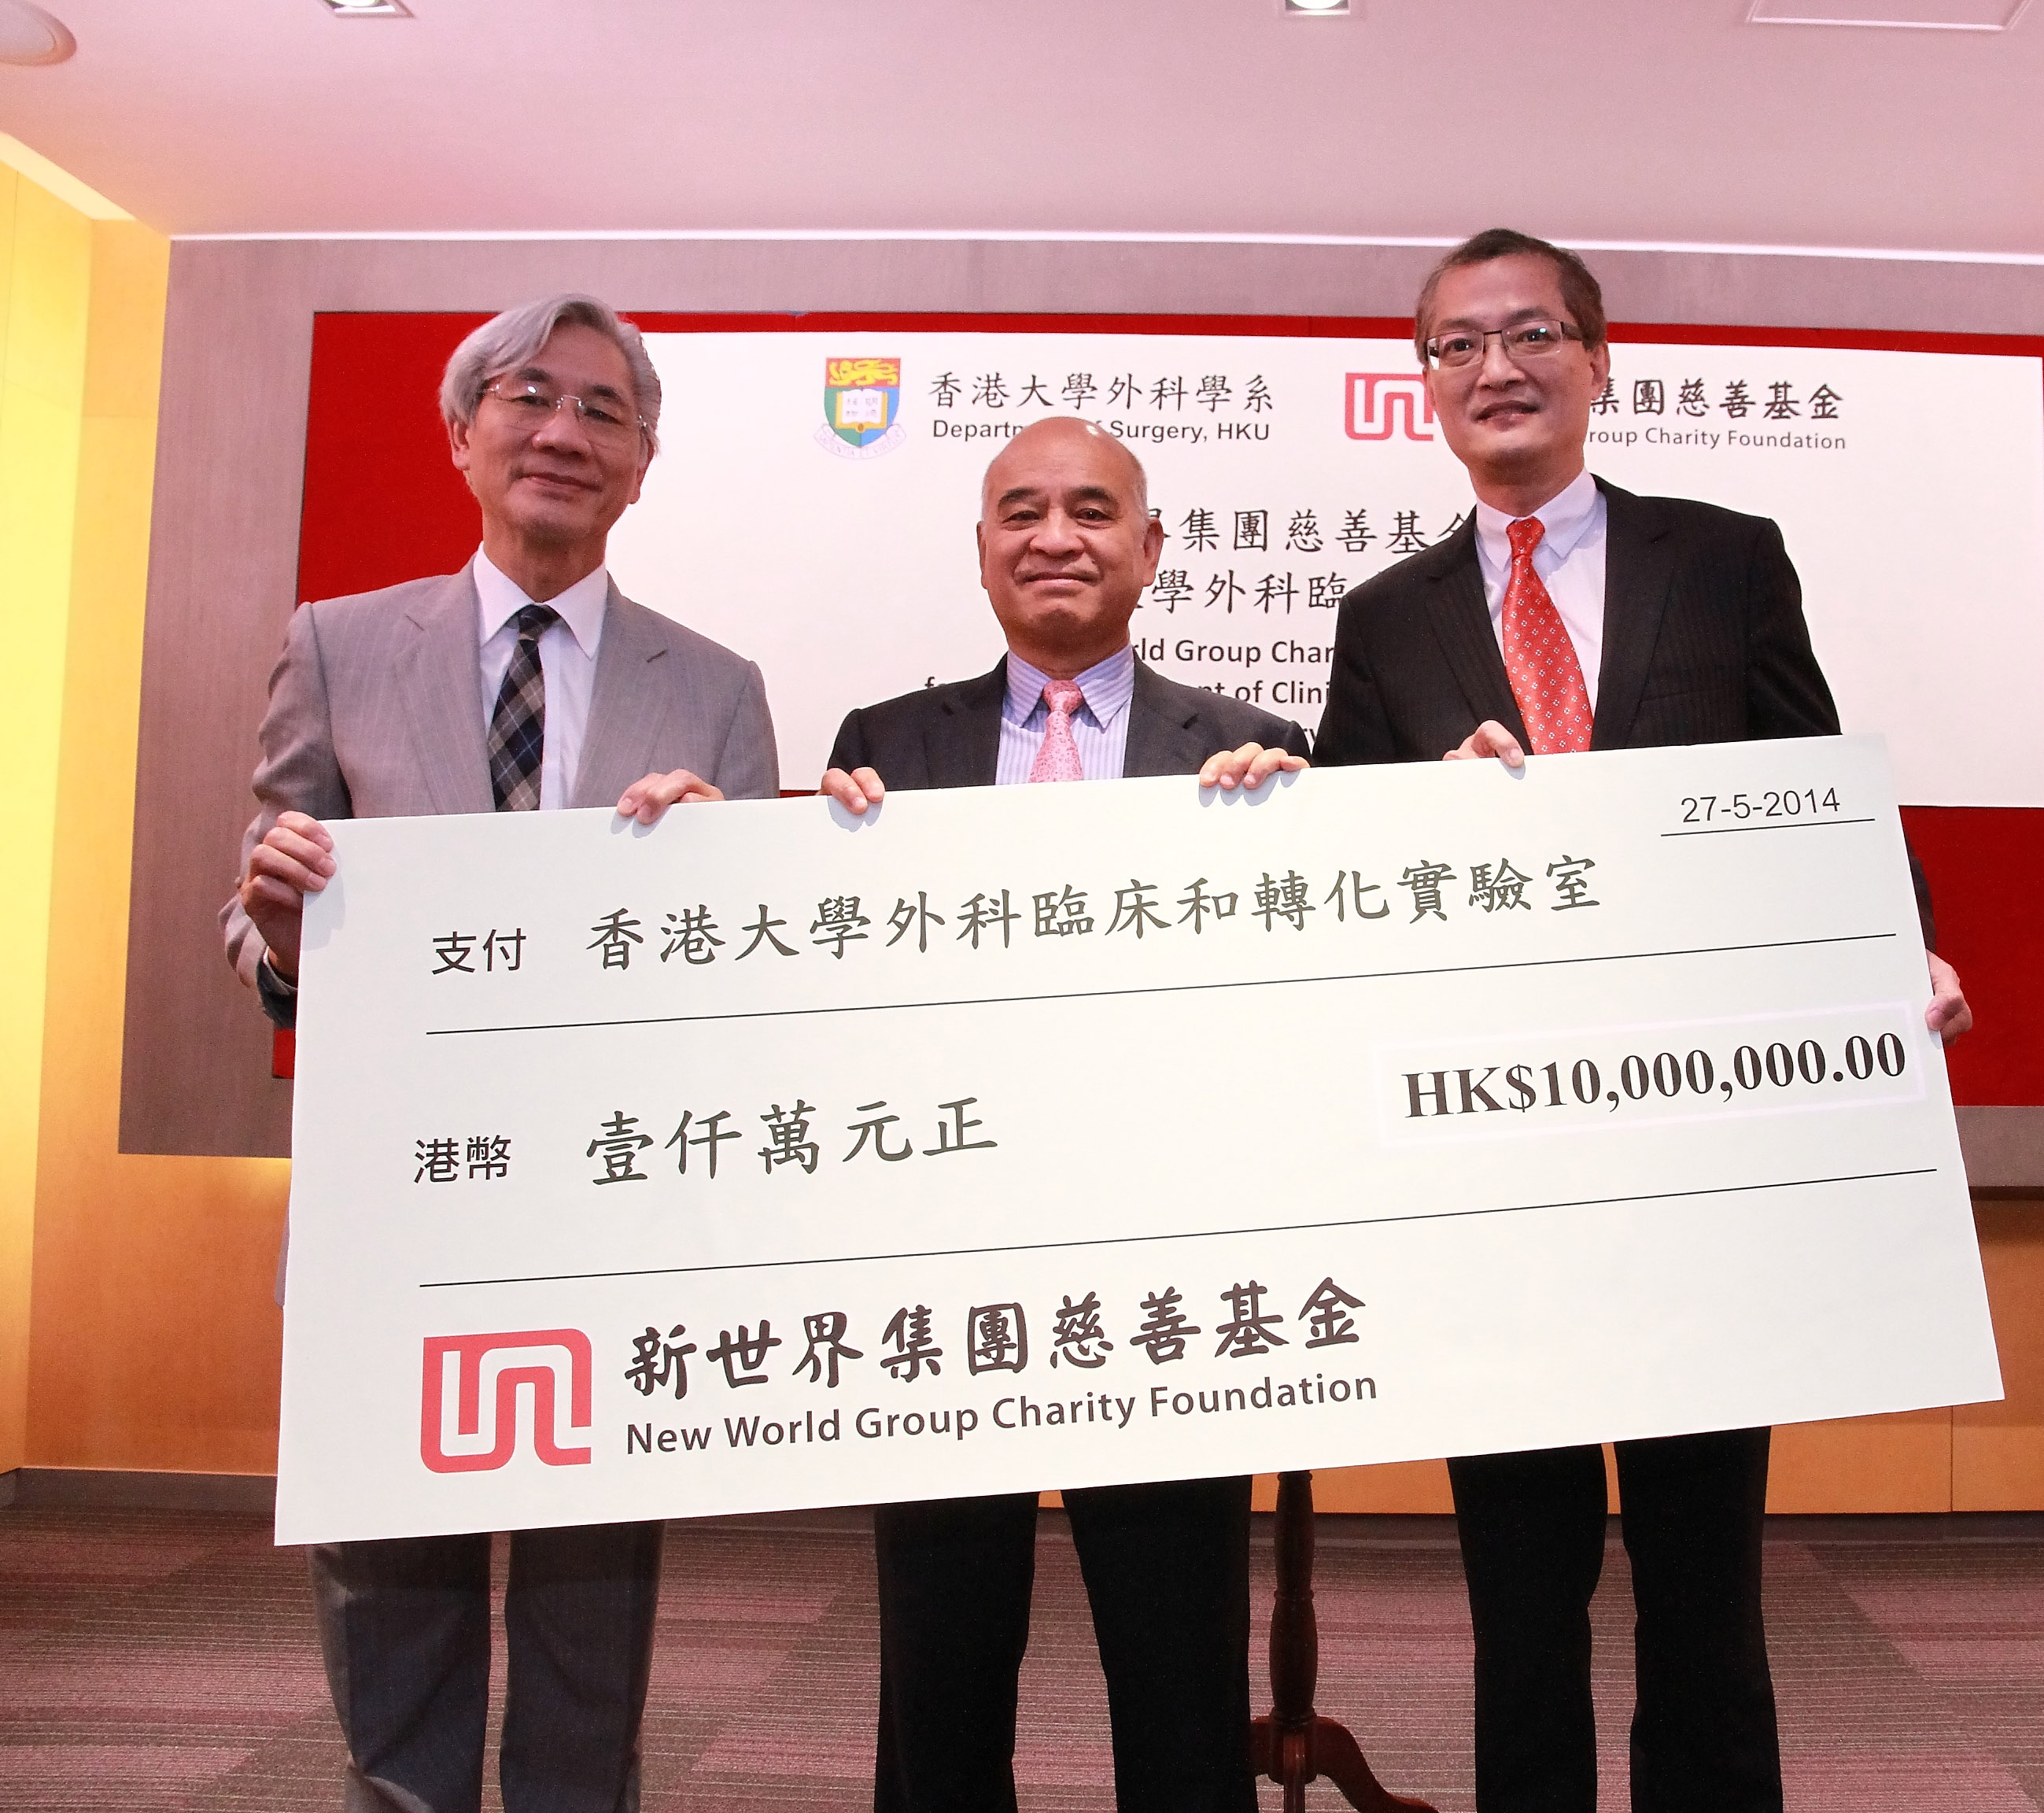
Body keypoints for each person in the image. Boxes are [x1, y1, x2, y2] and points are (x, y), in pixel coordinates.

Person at [1312, 229, 1973, 1813]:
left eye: (1531, 333)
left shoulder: (1725, 556)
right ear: (1424, 386)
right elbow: (1336, 873)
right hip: (1499, 1174)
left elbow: (1816, 789)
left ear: (1599, 362)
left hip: (1698, 1158)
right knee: (1519, 1596)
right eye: (1458, 345)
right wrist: (1418, 817)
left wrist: (1901, 950)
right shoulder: (1385, 616)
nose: (1496, 368)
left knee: (1703, 1587)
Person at [223, 294, 779, 1813]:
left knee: (591, 1627)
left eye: (605, 410)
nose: (563, 432)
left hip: (611, 1214)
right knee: (391, 1602)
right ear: (462, 435)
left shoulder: (715, 686)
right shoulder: (338, 645)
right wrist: (280, 928)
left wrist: (727, 894)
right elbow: (259, 908)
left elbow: (752, 988)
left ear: (643, 464)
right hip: (395, 1215)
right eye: (529, 396)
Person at [818, 415, 1305, 1813]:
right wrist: (810, 855)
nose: (1055, 537)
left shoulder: (1258, 749)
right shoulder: (882, 747)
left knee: (1180, 1670)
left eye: (1093, 511)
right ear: (980, 552)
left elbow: (1296, 1016)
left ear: (1150, 551)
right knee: (940, 1667)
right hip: (943, 1263)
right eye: (1021, 511)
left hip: (1166, 1269)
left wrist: (1296, 834)